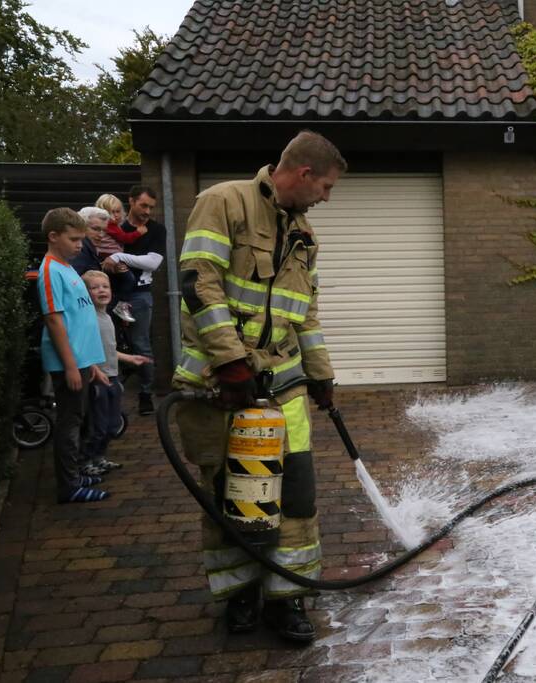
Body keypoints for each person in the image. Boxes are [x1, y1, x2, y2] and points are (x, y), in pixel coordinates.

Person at [173, 130, 345, 643]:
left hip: (283, 387)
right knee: (231, 495)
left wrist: (321, 374)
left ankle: (286, 598)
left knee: (295, 496)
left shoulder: (305, 236)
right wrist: (230, 362)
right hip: (222, 389)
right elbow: (198, 282)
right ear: (304, 173)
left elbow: (305, 313)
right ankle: (241, 595)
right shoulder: (224, 202)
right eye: (326, 187)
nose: (326, 198)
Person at [37, 208, 110, 503]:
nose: (80, 245)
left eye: (82, 239)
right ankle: (68, 487)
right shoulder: (50, 271)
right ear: (54, 236)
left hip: (80, 362)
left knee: (78, 419)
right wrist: (70, 365)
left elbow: (77, 318)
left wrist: (89, 363)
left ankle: (75, 475)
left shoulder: (66, 267)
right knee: (69, 423)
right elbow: (54, 320)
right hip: (68, 364)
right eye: (74, 239)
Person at [80, 271, 151, 475]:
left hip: (112, 376)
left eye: (105, 286)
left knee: (113, 424)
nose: (101, 290)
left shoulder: (107, 317)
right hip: (97, 378)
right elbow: (83, 348)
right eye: (94, 288)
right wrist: (94, 369)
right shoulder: (88, 319)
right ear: (85, 293)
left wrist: (130, 358)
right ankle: (86, 462)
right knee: (97, 425)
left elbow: (109, 349)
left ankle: (100, 457)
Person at [118, 186, 166, 415]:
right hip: (111, 295)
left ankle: (146, 394)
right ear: (131, 201)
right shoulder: (117, 227)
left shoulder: (156, 230)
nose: (147, 211)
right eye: (143, 205)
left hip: (139, 295)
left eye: (151, 207)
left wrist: (119, 257)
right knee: (109, 343)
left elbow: (153, 263)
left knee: (141, 343)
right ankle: (111, 394)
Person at [72, 207, 136, 322]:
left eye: (104, 231)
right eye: (96, 229)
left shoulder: (89, 248)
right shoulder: (80, 249)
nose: (101, 235)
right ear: (81, 227)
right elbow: (75, 281)